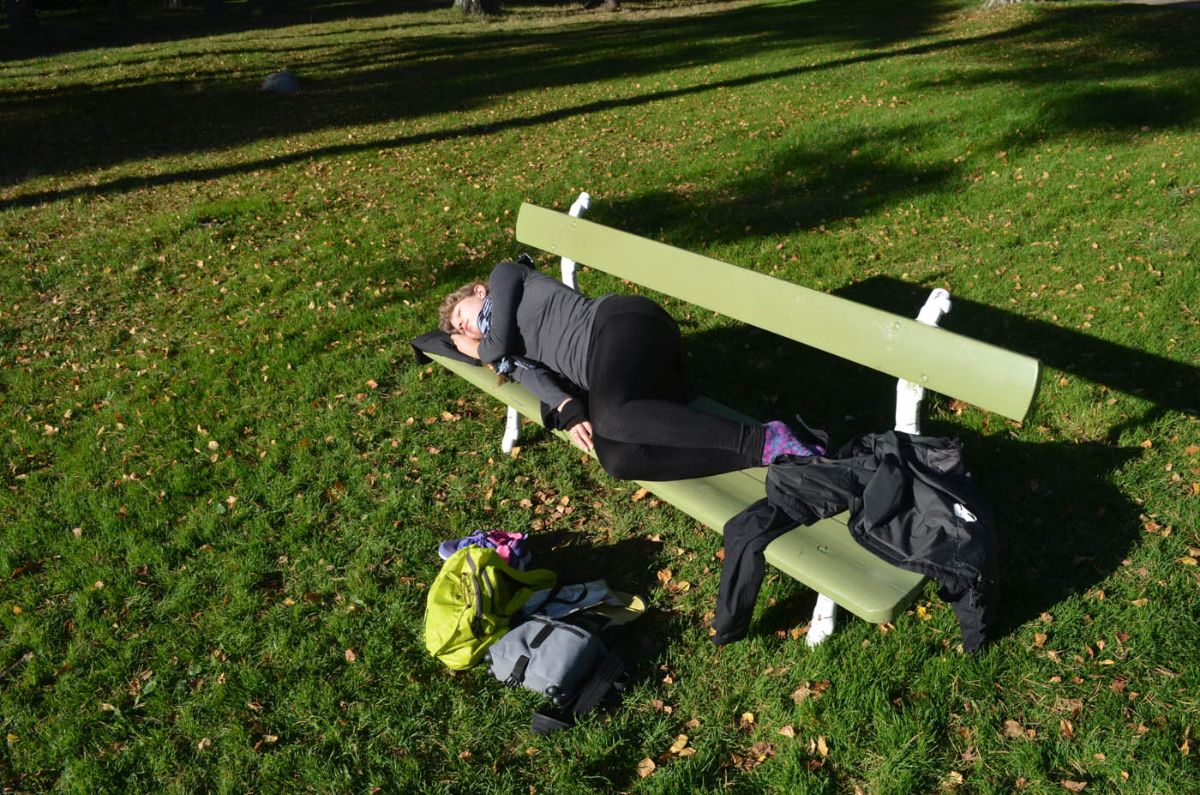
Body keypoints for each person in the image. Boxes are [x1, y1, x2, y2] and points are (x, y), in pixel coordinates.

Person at [438, 258, 820, 480]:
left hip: (622, 325)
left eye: (460, 317)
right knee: (619, 460)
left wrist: (475, 349)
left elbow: (495, 343)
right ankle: (771, 454)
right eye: (459, 330)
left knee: (612, 417)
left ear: (478, 291)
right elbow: (531, 374)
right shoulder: (504, 355)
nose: (464, 327)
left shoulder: (505, 276)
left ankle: (762, 439)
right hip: (618, 376)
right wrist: (567, 409)